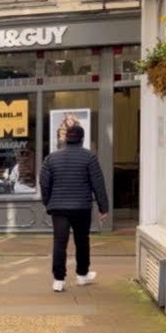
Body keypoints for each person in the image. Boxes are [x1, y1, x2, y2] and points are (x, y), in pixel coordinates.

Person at [39, 124, 109, 292]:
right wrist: (103, 207)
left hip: (59, 207)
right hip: (81, 207)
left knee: (59, 242)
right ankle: (82, 275)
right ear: (82, 139)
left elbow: (44, 183)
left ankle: (58, 280)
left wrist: (48, 202)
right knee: (82, 241)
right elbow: (98, 184)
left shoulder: (51, 158)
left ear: (65, 138)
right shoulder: (89, 158)